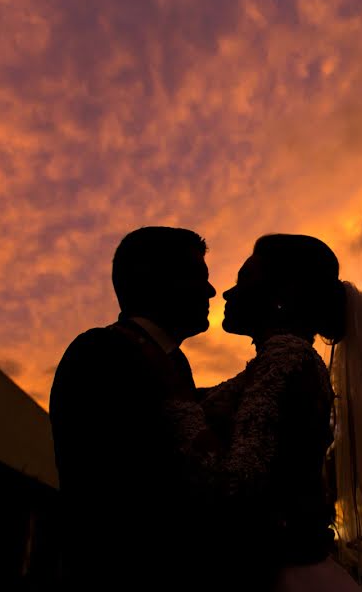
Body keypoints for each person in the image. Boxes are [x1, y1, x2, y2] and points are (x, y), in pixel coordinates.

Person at [168, 234, 362, 592]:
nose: (227, 293)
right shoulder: (280, 363)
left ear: (281, 297)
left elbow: (237, 481)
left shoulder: (285, 358)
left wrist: (177, 406)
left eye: (245, 281)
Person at [48, 226, 218, 591]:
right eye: (196, 277)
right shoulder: (99, 353)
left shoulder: (175, 363)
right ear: (154, 279)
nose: (210, 290)